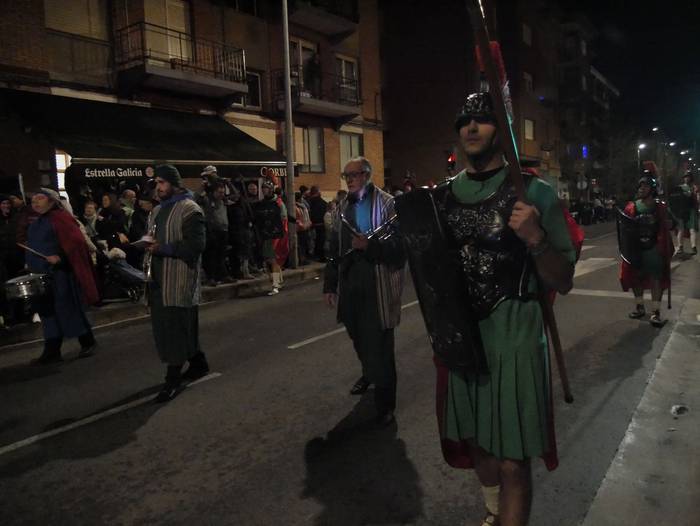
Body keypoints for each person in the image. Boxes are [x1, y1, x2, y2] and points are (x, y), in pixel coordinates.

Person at [426, 93, 575, 526]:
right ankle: (494, 513)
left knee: (512, 460)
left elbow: (563, 279)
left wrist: (536, 238)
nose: (471, 128)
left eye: (482, 120)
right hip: (464, 341)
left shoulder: (534, 192)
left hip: (515, 340)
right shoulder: (441, 197)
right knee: (479, 446)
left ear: (503, 130)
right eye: (464, 121)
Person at [323, 156, 406, 426]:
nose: (349, 180)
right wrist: (330, 284)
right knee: (358, 336)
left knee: (381, 347)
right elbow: (333, 247)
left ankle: (386, 404)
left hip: (378, 287)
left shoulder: (387, 204)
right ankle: (369, 372)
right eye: (345, 175)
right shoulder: (342, 207)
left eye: (354, 174)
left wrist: (370, 246)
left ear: (367, 175)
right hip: (351, 286)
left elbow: (400, 249)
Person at [144, 165, 209, 403]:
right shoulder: (157, 210)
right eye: (156, 183)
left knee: (175, 329)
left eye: (162, 182)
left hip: (179, 279)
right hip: (158, 279)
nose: (158, 187)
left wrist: (163, 248)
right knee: (173, 327)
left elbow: (196, 246)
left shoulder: (190, 209)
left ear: (174, 183)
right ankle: (198, 363)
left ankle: (172, 380)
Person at [24, 188, 99, 364]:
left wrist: (60, 257)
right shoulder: (36, 223)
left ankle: (87, 341)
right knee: (47, 313)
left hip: (60, 275)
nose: (35, 202)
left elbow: (76, 244)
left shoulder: (61, 218)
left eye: (40, 198)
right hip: (42, 275)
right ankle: (52, 350)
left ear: (52, 201)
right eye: (33, 199)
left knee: (68, 309)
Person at [619, 174, 673, 327]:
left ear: (652, 189)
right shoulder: (631, 207)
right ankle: (640, 307)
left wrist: (669, 223)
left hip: (653, 247)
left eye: (645, 186)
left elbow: (670, 223)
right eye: (640, 186)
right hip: (636, 249)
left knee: (656, 279)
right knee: (636, 278)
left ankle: (655, 312)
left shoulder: (660, 207)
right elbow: (625, 228)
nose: (642, 189)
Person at [197, 179, 233, 286]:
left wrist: (229, 184)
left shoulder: (224, 200)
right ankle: (211, 277)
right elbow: (196, 198)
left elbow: (236, 196)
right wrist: (202, 187)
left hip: (223, 230)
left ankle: (222, 275)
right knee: (211, 255)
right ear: (214, 192)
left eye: (223, 192)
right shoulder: (207, 200)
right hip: (212, 230)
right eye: (219, 192)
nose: (221, 194)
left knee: (221, 255)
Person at [254, 180, 286, 295]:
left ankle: (275, 284)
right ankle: (276, 281)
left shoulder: (278, 203)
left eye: (266, 188)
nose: (264, 190)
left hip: (276, 235)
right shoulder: (261, 204)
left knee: (274, 260)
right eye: (263, 188)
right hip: (265, 235)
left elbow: (284, 218)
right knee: (268, 260)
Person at [673, 172, 698, 255]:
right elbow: (675, 198)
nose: (687, 178)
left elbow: (696, 199)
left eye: (688, 177)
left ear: (691, 178)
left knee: (692, 229)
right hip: (682, 211)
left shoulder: (694, 187)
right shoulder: (680, 187)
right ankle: (680, 246)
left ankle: (694, 247)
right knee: (681, 229)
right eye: (685, 177)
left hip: (691, 210)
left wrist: (695, 193)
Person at [307, 186, 328, 261]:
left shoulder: (309, 201)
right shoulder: (322, 202)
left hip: (311, 225)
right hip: (320, 224)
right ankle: (321, 256)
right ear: (318, 192)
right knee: (320, 241)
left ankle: (315, 255)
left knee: (314, 241)